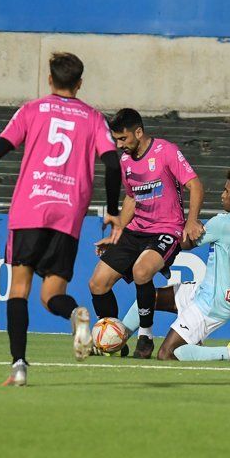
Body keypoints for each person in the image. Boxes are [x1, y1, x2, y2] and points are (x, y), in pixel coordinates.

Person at [0, 52, 121, 386]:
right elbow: (113, 164)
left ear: (50, 80)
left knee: (20, 290)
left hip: (30, 208)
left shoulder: (33, 109)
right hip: (67, 214)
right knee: (52, 293)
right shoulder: (94, 118)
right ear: (80, 83)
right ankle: (74, 314)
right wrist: (112, 209)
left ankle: (19, 366)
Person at [107, 166, 230, 361]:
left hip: (210, 303)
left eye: (227, 190)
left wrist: (179, 220)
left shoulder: (224, 222)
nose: (222, 195)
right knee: (150, 297)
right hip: (213, 294)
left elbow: (185, 242)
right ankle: (115, 339)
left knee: (168, 353)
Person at [88, 108, 204, 360]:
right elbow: (132, 197)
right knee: (97, 283)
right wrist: (117, 232)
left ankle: (145, 336)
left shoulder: (166, 151)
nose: (119, 145)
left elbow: (194, 184)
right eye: (115, 139)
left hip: (166, 229)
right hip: (136, 230)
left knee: (142, 272)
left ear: (138, 132)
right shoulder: (126, 162)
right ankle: (113, 338)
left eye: (123, 139)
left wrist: (191, 221)